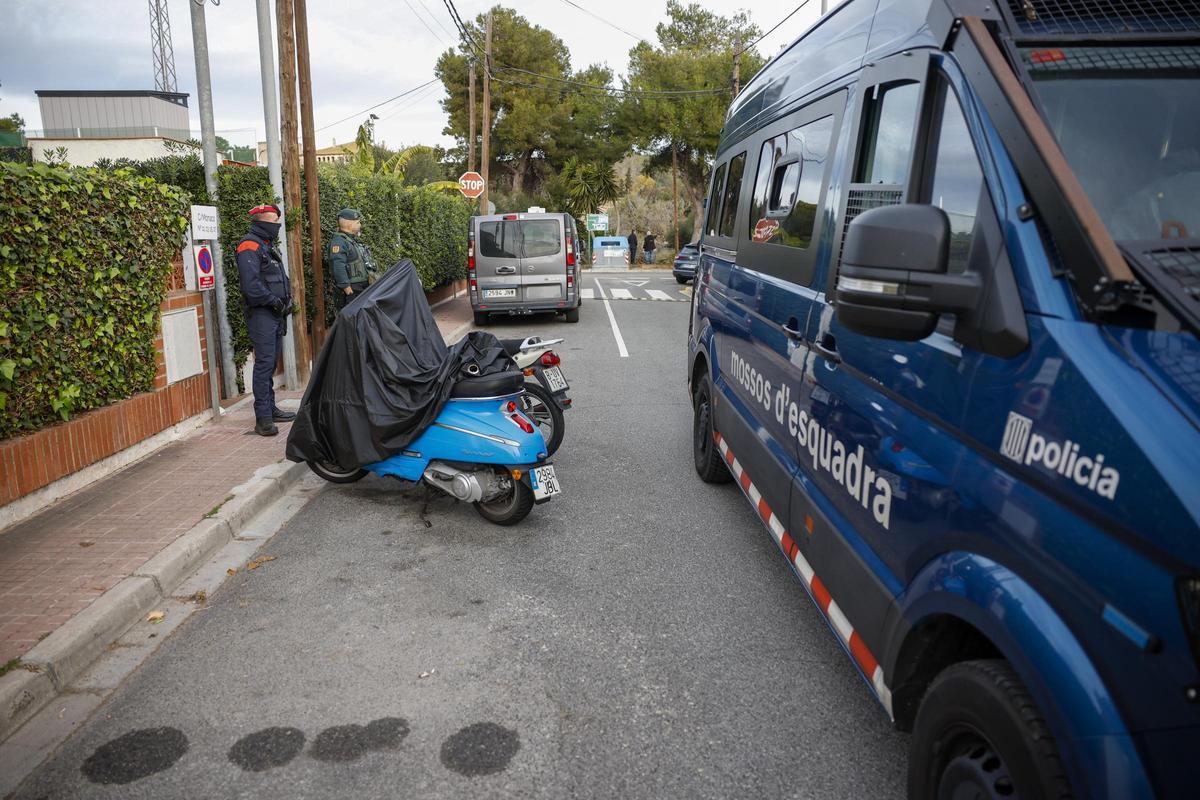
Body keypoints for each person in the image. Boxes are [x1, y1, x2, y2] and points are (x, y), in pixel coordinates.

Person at [236, 204, 295, 437]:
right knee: (263, 365)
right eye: (273, 221)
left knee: (270, 365)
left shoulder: (267, 246)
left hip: (274, 313)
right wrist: (273, 300)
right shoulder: (248, 245)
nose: (276, 226)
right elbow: (251, 286)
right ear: (261, 222)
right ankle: (263, 419)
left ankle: (270, 409)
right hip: (262, 313)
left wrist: (285, 301)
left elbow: (277, 278)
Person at [326, 207, 375, 309]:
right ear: (349, 224)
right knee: (351, 322)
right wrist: (348, 290)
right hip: (352, 291)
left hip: (361, 288)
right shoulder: (339, 242)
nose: (360, 225)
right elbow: (338, 266)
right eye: (358, 222)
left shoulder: (351, 240)